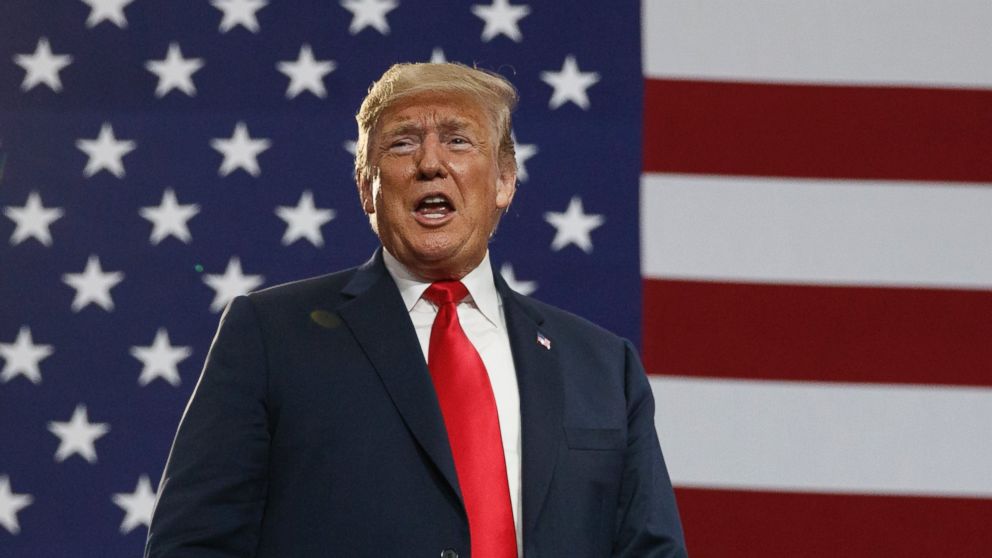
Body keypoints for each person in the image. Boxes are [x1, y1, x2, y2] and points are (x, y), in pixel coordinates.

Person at [145, 62, 687, 558]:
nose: (431, 163)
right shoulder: (270, 337)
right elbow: (194, 544)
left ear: (504, 181)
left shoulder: (602, 366)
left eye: (457, 139)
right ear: (365, 186)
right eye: (402, 144)